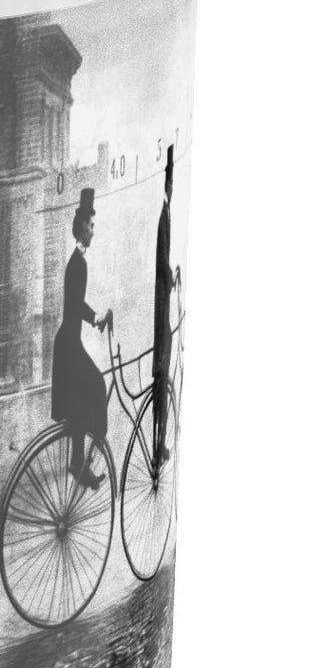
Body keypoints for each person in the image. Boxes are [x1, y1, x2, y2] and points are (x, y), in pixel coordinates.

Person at [51, 186, 112, 488]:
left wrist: (94, 318)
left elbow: (75, 305)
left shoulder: (78, 261)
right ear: (81, 228)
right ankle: (95, 441)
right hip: (69, 344)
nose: (93, 232)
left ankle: (79, 462)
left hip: (68, 342)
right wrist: (96, 317)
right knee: (97, 384)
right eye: (91, 226)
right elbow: (75, 305)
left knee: (78, 403)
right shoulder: (78, 263)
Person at [152, 145, 182, 467]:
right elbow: (161, 258)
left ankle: (160, 443)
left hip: (165, 298)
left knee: (168, 350)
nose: (172, 189)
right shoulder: (164, 215)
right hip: (161, 300)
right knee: (163, 356)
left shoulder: (169, 212)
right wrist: (169, 275)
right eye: (171, 184)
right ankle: (157, 443)